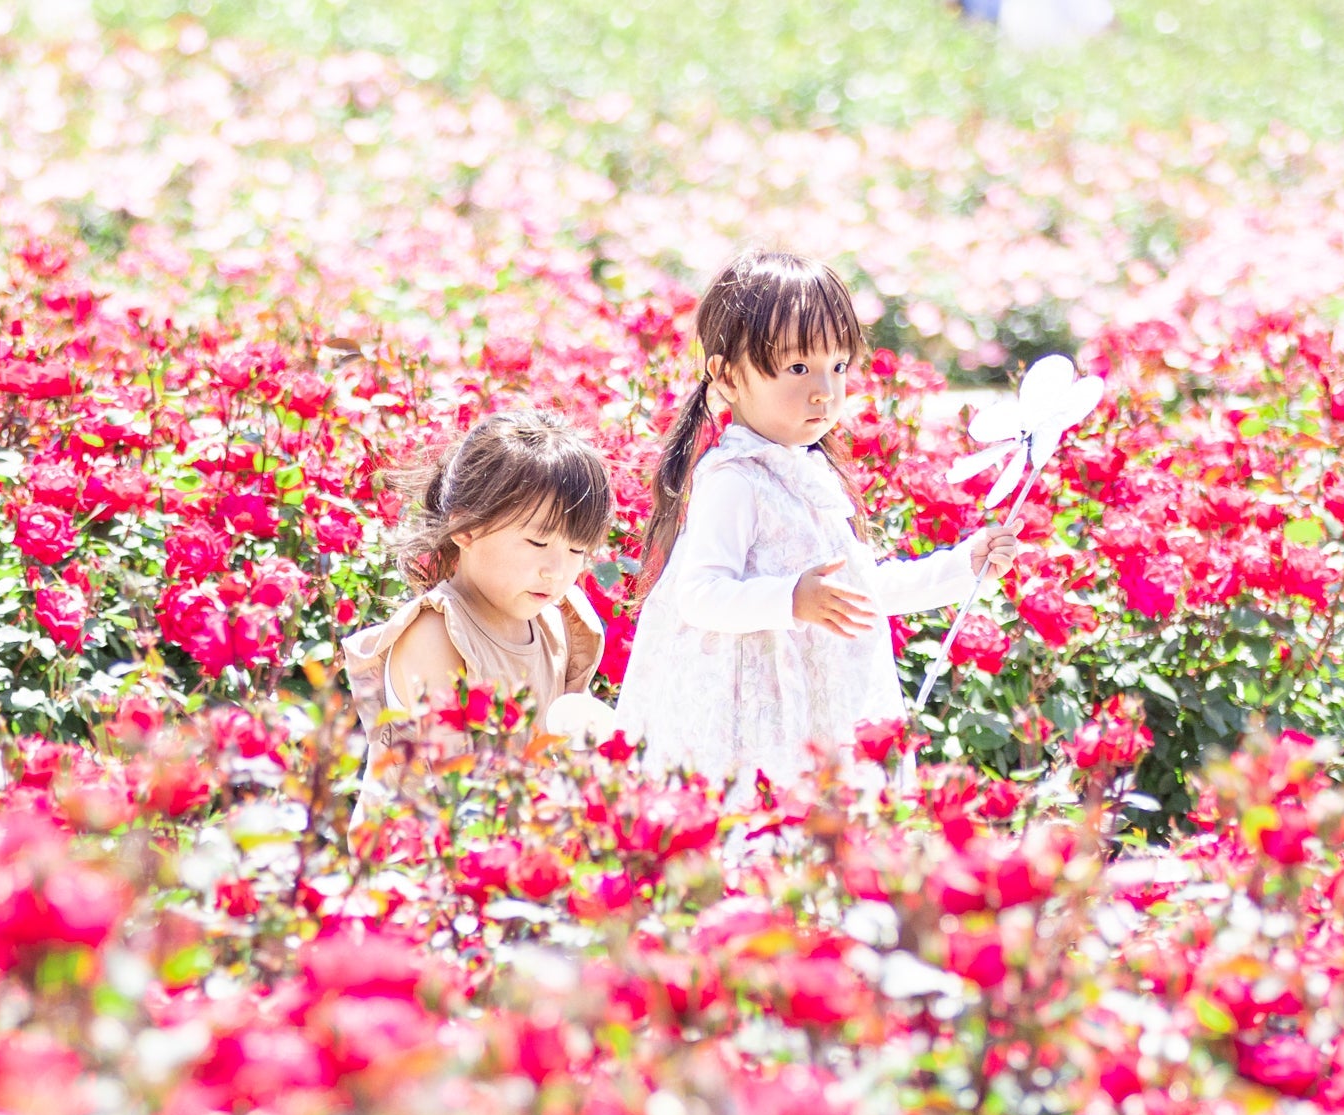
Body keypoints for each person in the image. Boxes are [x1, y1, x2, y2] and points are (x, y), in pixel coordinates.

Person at [616, 250, 1021, 790]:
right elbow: (700, 595)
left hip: (816, 708)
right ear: (727, 376)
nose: (824, 391)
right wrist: (790, 599)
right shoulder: (735, 479)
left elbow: (862, 592)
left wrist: (962, 567)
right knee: (760, 816)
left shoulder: (809, 473)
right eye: (798, 368)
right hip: (752, 717)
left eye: (838, 367)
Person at [343, 404, 613, 758]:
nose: (557, 571)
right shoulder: (436, 634)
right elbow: (456, 780)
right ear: (466, 528)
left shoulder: (557, 622)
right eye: (537, 542)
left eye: (577, 549)